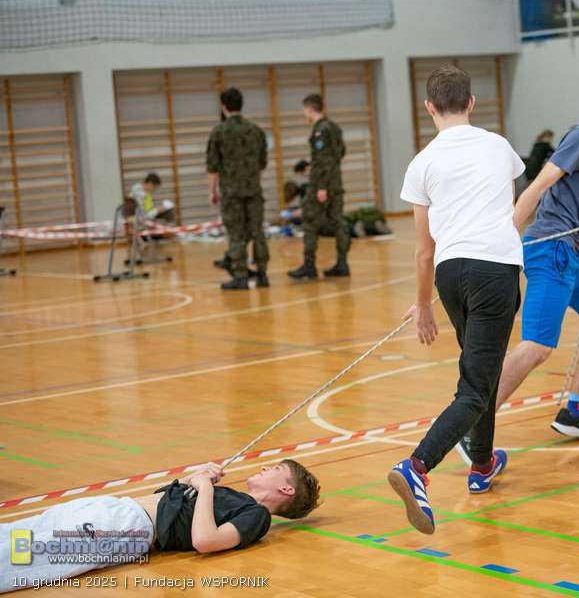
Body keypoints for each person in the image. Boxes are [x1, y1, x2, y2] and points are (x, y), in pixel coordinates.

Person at [453, 71, 579, 469]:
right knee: (538, 345)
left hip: (572, 253)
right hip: (548, 247)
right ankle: (472, 425)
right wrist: (505, 235)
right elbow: (537, 187)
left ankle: (575, 410)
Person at [387, 64, 525, 535]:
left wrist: (424, 304)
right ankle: (417, 466)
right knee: (475, 388)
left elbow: (424, 249)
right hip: (494, 272)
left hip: (450, 273)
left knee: (481, 372)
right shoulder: (499, 147)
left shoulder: (421, 162)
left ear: (429, 107)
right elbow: (510, 212)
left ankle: (482, 463)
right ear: (471, 102)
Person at [0, 460, 319, 593]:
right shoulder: (235, 498)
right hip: (115, 508)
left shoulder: (257, 516)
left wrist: (204, 488)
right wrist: (194, 478)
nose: (265, 467)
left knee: (25, 557)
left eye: (275, 468)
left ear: (286, 489)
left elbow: (205, 540)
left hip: (128, 528)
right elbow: (171, 497)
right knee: (15, 534)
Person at [206, 87, 270, 290]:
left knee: (236, 234)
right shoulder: (256, 130)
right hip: (254, 190)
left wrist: (212, 192)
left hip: (231, 193)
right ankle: (262, 275)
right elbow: (262, 164)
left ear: (223, 107)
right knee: (257, 232)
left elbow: (212, 167)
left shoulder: (218, 132)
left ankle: (240, 276)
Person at [287, 94, 350, 280]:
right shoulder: (334, 127)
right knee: (337, 222)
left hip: (321, 185)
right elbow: (340, 153)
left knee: (310, 222)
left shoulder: (320, 130)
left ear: (309, 109)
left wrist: (322, 187)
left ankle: (309, 266)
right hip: (335, 183)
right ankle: (342, 264)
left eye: (304, 110)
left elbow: (323, 159)